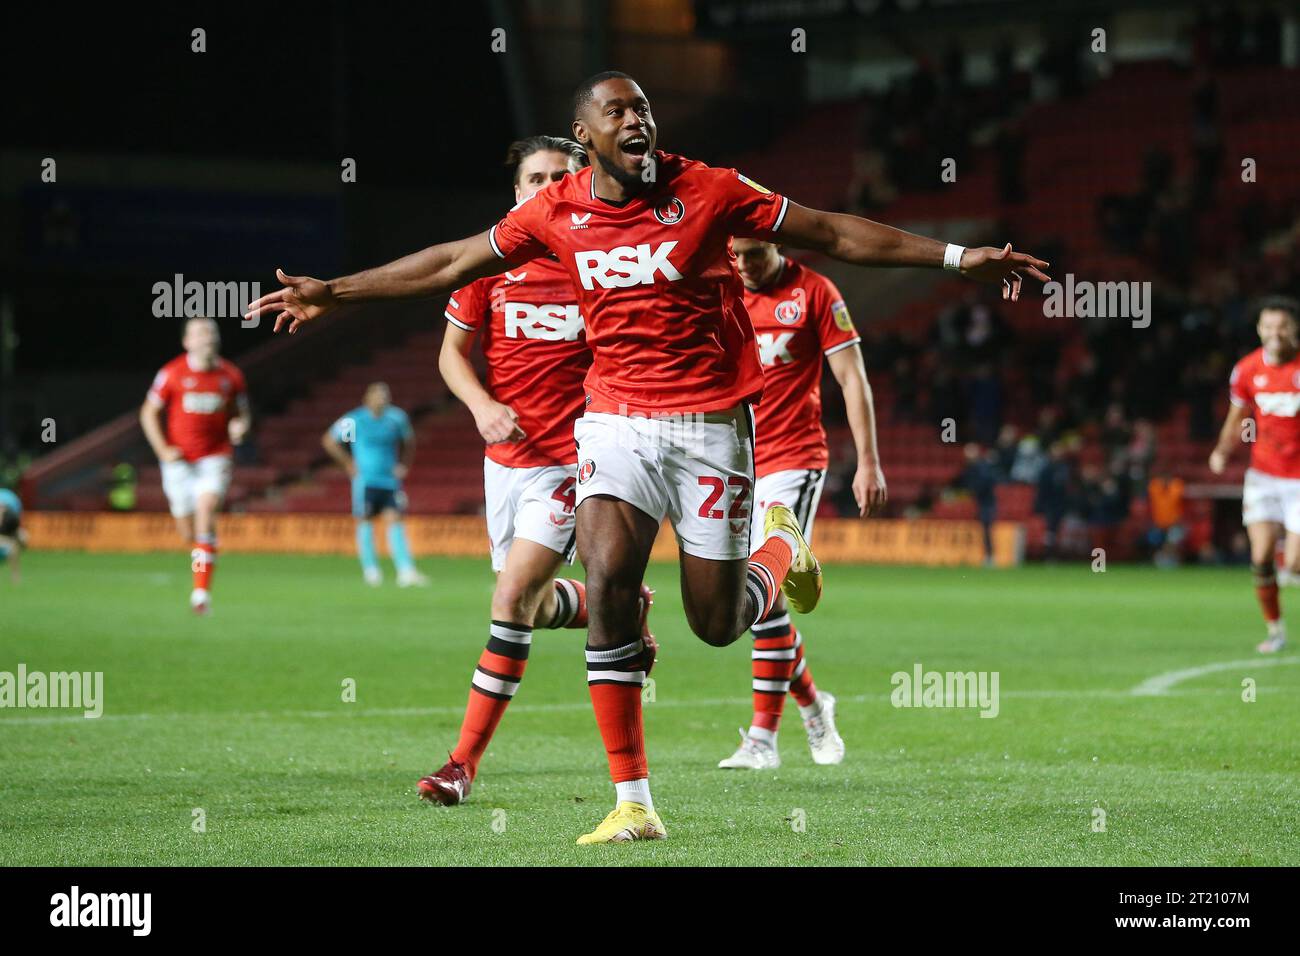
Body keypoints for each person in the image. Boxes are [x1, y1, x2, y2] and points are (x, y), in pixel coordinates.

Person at [246, 71, 1049, 844]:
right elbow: (453, 262)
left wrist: (957, 258)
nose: (637, 122)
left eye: (644, 109)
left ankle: (781, 551)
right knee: (608, 586)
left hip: (710, 430)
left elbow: (835, 231)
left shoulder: (711, 189)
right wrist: (336, 291)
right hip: (614, 426)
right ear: (587, 134)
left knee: (716, 625)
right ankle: (633, 802)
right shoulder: (556, 210)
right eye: (617, 112)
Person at [419, 135, 654, 806]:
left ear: (577, 186)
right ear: (518, 192)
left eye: (560, 175)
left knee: (506, 601)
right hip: (506, 464)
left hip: (575, 462)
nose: (547, 185)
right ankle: (618, 604)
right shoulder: (488, 265)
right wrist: (482, 405)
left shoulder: (601, 263)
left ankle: (460, 765)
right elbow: (450, 356)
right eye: (535, 177)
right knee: (529, 602)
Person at [717, 238, 887, 770]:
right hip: (734, 462)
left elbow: (852, 377)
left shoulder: (815, 292)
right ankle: (814, 705)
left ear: (776, 243)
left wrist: (869, 461)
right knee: (753, 598)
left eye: (753, 254)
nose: (743, 265)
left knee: (762, 593)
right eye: (734, 255)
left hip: (795, 461)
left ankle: (763, 740)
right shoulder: (721, 293)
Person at [140, 317, 251, 615]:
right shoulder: (171, 373)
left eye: (211, 332)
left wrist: (240, 426)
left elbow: (242, 413)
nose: (207, 337)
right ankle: (203, 553)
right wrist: (163, 450)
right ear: (187, 342)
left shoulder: (231, 375)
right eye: (200, 333)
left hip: (215, 457)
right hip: (179, 462)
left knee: (206, 509)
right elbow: (148, 413)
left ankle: (201, 595)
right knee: (188, 531)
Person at [1209, 294, 1300, 653]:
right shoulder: (1247, 369)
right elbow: (1237, 417)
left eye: (1283, 326)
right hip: (1262, 475)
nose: (1276, 333)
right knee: (1261, 557)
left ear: (1294, 329)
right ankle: (1275, 630)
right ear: (1260, 329)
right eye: (1269, 326)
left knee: (1293, 563)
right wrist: (1221, 450)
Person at [322, 382, 427, 587]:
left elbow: (409, 442)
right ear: (366, 398)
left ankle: (405, 570)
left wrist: (403, 465)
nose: (383, 399)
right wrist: (348, 463)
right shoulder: (355, 420)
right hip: (365, 481)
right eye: (378, 395)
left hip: (389, 480)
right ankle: (371, 570)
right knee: (366, 520)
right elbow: (330, 441)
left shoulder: (396, 419)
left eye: (385, 395)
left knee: (395, 520)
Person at [0, 486, 26, 583]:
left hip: (6, 539)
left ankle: (15, 576)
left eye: (2, 507)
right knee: (11, 545)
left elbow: (15, 531)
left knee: (21, 538)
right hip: (4, 540)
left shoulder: (11, 518)